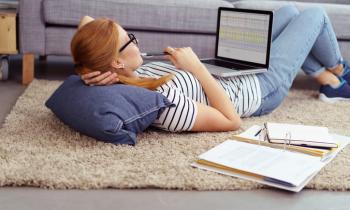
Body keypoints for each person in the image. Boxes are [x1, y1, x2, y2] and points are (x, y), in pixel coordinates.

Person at [71, 5, 350, 133]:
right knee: (314, 15)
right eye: (130, 39)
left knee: (289, 12)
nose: (136, 39)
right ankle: (340, 71)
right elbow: (231, 121)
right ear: (116, 61)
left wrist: (86, 70)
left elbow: (87, 22)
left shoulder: (128, 75)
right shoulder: (163, 103)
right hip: (258, 90)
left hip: (232, 75)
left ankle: (327, 80)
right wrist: (196, 68)